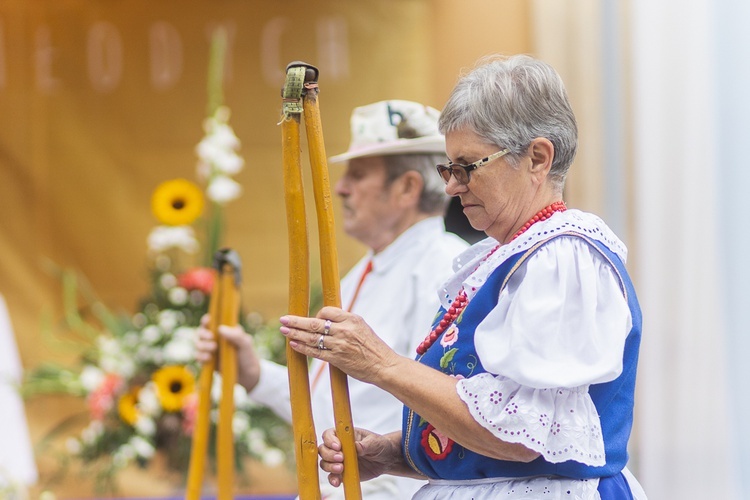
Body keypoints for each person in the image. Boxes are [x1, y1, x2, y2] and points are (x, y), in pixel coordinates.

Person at [278, 55, 647, 499]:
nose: (452, 187)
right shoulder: (502, 259)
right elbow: (486, 428)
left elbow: (521, 436)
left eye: (468, 166)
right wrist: (396, 453)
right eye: (448, 169)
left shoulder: (561, 258)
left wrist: (381, 364)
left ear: (537, 157)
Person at [195, 100, 469, 499]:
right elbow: (330, 408)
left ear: (407, 188)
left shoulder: (444, 267)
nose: (340, 188)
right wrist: (253, 372)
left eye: (358, 175)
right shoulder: (366, 270)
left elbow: (437, 411)